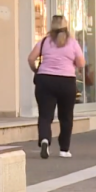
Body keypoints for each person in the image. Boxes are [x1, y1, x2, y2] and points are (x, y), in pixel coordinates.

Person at [27, 15, 85, 159]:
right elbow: (81, 63)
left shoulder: (45, 41)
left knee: (45, 115)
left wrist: (36, 70)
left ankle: (45, 139)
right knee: (66, 117)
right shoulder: (72, 43)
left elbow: (31, 58)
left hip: (45, 80)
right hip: (66, 82)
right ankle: (64, 149)